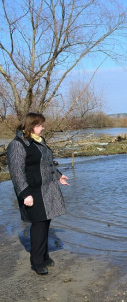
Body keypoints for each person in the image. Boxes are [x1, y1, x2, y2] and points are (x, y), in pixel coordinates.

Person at [6, 112, 70, 275]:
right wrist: (25, 193)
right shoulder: (18, 144)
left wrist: (59, 176)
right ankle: (37, 262)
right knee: (38, 225)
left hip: (47, 189)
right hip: (32, 191)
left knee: (45, 222)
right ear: (32, 126)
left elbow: (47, 164)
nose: (43, 127)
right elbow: (16, 172)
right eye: (40, 125)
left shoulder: (39, 141)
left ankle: (44, 256)